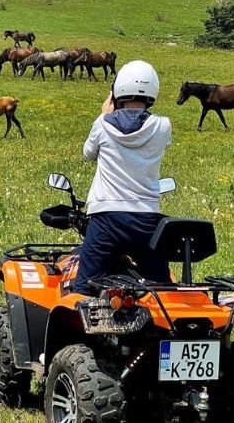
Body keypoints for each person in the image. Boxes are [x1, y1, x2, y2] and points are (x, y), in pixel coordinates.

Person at [74, 60, 172, 296]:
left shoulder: (102, 124)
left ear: (116, 93)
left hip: (107, 217)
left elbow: (88, 153)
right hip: (148, 218)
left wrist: (103, 115)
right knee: (161, 287)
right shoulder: (163, 126)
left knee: (85, 288)